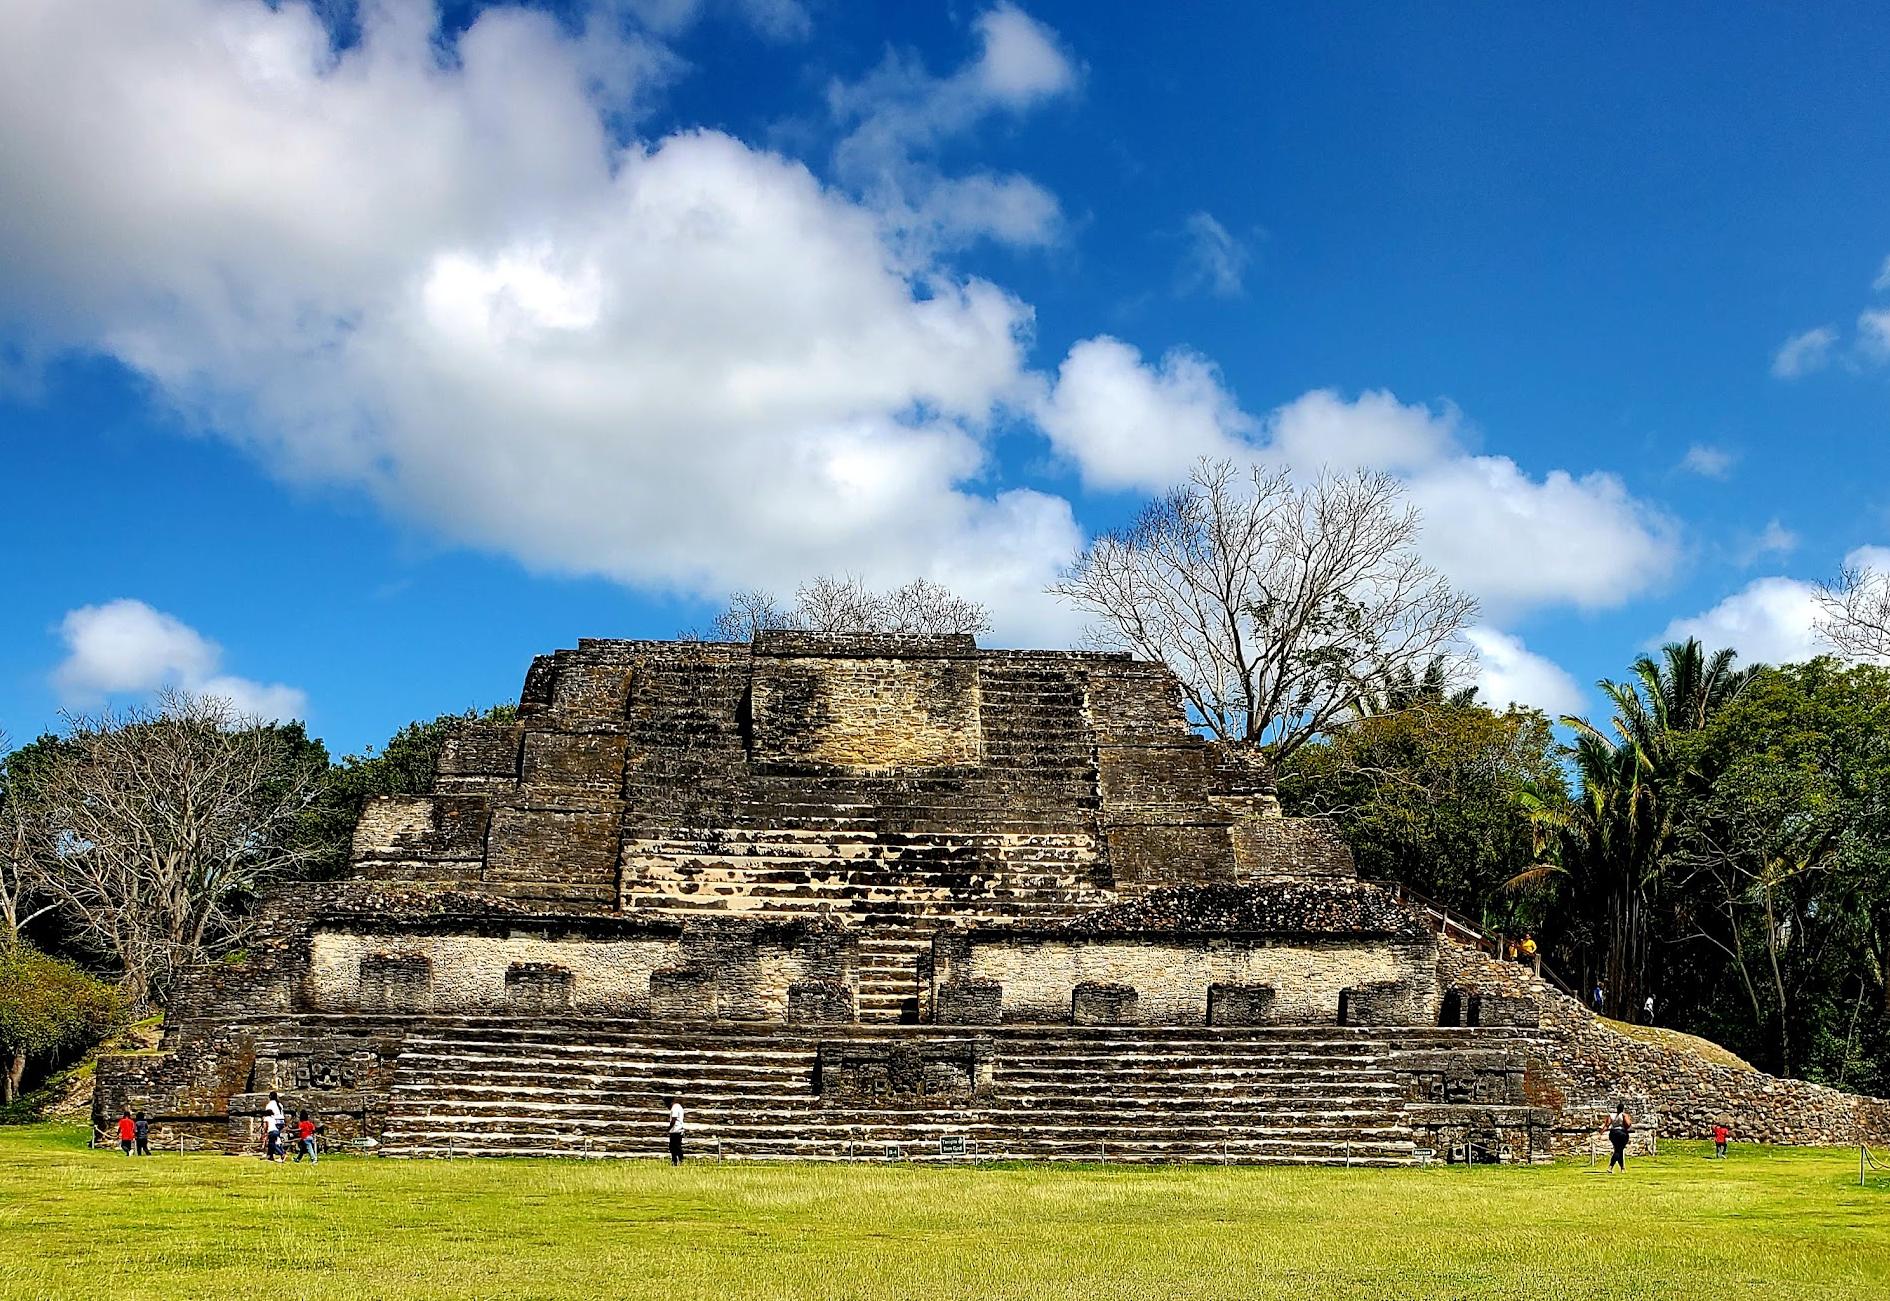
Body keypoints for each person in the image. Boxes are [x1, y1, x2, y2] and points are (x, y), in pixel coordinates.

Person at [1605, 1103, 1632, 1172]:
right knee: (1618, 1150)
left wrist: (1601, 1131)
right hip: (1622, 1133)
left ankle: (1622, 1168)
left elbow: (1607, 1124)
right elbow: (1628, 1124)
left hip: (1613, 1133)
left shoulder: (1612, 1115)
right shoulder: (1624, 1115)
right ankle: (1610, 1166)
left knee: (1619, 1150)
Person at [263, 1091, 286, 1162]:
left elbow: (268, 1114)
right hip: (281, 1121)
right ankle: (270, 1155)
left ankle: (281, 1153)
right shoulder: (279, 1104)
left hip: (275, 1121)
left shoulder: (269, 1105)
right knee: (274, 1139)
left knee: (273, 1140)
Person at [666, 1097, 685, 1166]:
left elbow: (673, 1119)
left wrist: (669, 1128)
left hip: (675, 1130)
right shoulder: (679, 1107)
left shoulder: (675, 1108)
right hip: (677, 1129)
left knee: (675, 1147)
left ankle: (678, 1160)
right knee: (675, 1146)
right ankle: (676, 1161)